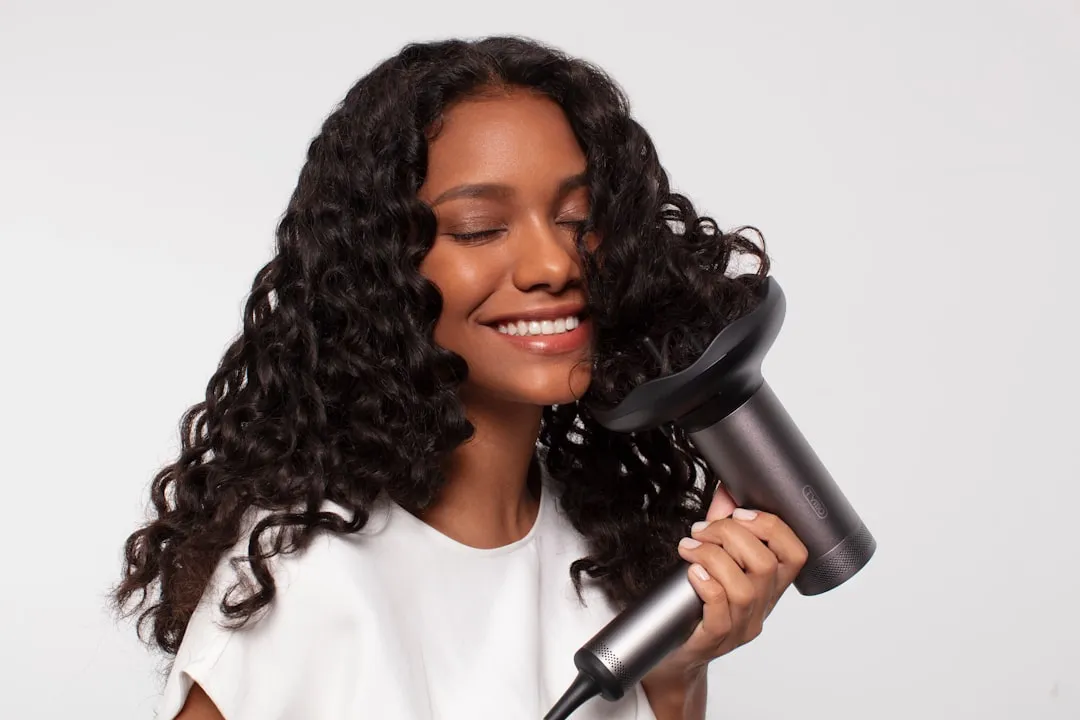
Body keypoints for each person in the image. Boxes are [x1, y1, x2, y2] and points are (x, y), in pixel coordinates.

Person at [114, 36, 809, 720]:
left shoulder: (608, 553)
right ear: (383, 271)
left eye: (578, 219)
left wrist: (681, 672)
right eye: (479, 229)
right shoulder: (309, 584)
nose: (554, 264)